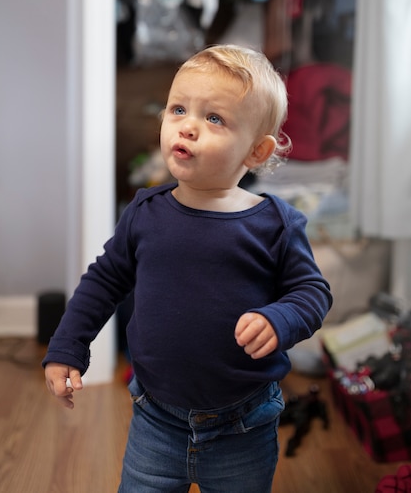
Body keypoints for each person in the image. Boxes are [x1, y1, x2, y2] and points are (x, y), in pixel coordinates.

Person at [43, 44, 332, 493]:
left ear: (256, 151)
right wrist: (67, 346)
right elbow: (103, 280)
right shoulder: (145, 211)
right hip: (156, 421)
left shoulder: (276, 223)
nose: (188, 126)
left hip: (244, 424)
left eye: (214, 118)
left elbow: (312, 293)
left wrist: (280, 318)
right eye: (178, 109)